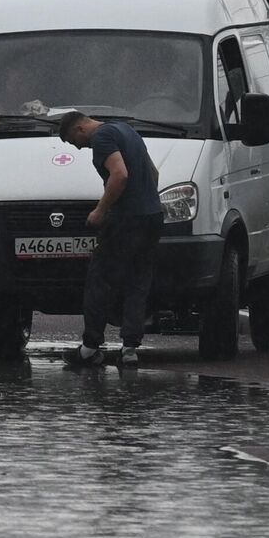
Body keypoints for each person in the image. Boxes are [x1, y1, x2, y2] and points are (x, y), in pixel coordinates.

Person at [58, 110, 165, 368]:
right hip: (151, 216)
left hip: (126, 220)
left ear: (79, 129)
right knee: (138, 283)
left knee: (99, 279)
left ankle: (90, 348)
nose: (80, 147)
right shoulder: (127, 130)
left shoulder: (101, 137)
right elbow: (153, 173)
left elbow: (120, 174)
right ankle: (129, 349)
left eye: (75, 142)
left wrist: (100, 210)